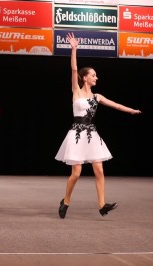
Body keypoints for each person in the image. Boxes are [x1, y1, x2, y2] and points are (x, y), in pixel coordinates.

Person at [55, 32, 142, 219]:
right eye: (93, 75)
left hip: (91, 135)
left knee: (99, 170)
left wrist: (131, 111)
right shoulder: (76, 91)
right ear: (85, 78)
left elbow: (116, 105)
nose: (96, 78)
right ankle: (66, 201)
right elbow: (73, 69)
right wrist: (74, 49)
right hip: (77, 134)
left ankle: (102, 205)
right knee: (76, 173)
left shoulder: (98, 97)